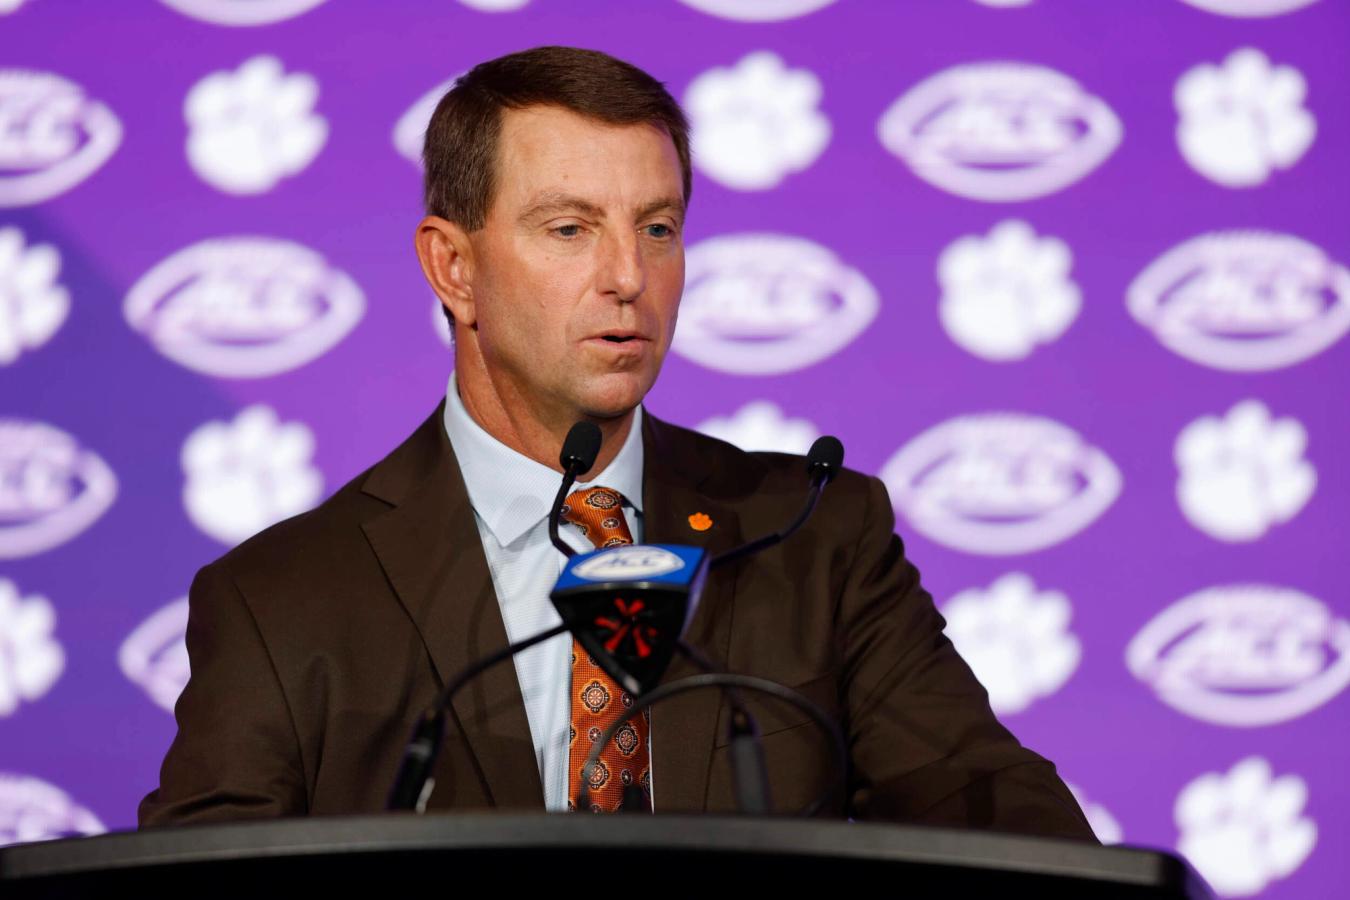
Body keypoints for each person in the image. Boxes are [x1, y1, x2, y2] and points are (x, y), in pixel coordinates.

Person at [139, 45, 1095, 839]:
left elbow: (993, 807)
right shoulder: (284, 600)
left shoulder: (812, 537)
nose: (629, 277)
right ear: (454, 267)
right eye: (569, 228)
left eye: (659, 228)